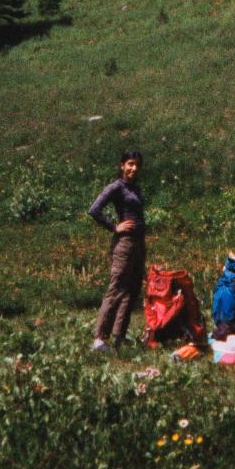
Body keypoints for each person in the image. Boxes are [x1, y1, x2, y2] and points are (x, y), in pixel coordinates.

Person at [88, 149, 146, 351]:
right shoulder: (116, 187)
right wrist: (114, 227)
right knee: (116, 288)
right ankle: (99, 338)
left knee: (132, 290)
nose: (134, 168)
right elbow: (94, 209)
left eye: (137, 164)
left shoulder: (136, 188)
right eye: (130, 163)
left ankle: (118, 336)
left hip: (138, 244)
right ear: (122, 165)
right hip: (124, 244)